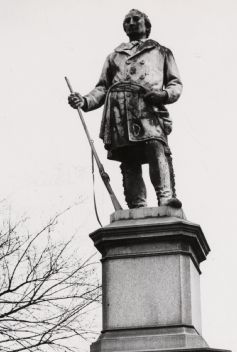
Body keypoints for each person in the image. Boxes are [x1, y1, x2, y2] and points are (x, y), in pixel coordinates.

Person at [68, 9, 183, 209]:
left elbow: (175, 84)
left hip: (147, 106)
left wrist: (163, 95)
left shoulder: (161, 52)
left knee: (155, 148)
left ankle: (165, 197)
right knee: (128, 157)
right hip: (119, 111)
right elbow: (102, 87)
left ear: (146, 25)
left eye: (135, 19)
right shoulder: (114, 56)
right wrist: (84, 101)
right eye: (127, 20)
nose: (131, 22)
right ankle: (136, 204)